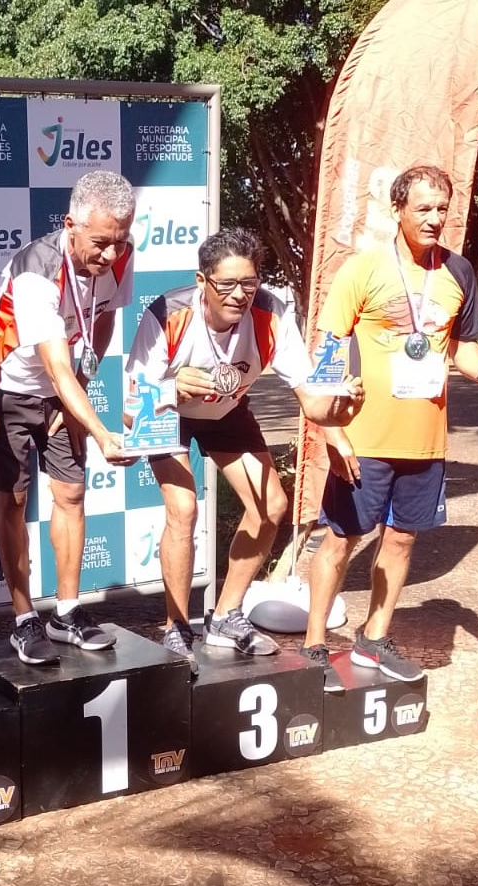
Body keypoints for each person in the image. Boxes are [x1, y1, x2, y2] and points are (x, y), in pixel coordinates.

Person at [124, 228, 363, 675]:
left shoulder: (271, 312)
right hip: (165, 412)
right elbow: (131, 407)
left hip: (227, 411)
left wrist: (340, 416)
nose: (239, 295)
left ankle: (225, 616)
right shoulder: (168, 314)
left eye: (249, 283)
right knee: (183, 509)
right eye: (227, 284)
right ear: (202, 281)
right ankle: (175, 624)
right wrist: (172, 387)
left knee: (272, 507)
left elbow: (310, 397)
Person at [301, 165, 478, 688]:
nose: (435, 219)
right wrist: (331, 430)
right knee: (342, 540)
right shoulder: (362, 269)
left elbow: (460, 344)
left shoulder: (458, 271)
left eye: (442, 209)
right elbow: (327, 351)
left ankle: (373, 637)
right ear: (398, 211)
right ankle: (315, 644)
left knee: (403, 540)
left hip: (425, 438)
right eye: (423, 209)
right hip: (362, 436)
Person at [0, 171, 136, 665]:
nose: (111, 255)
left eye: (120, 242)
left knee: (70, 492)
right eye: (101, 243)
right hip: (6, 385)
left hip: (65, 387)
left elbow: (104, 316)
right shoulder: (36, 271)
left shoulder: (119, 254)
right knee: (15, 497)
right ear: (70, 225)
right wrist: (101, 431)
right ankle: (24, 618)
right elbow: (55, 365)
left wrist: (81, 396)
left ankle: (66, 613)